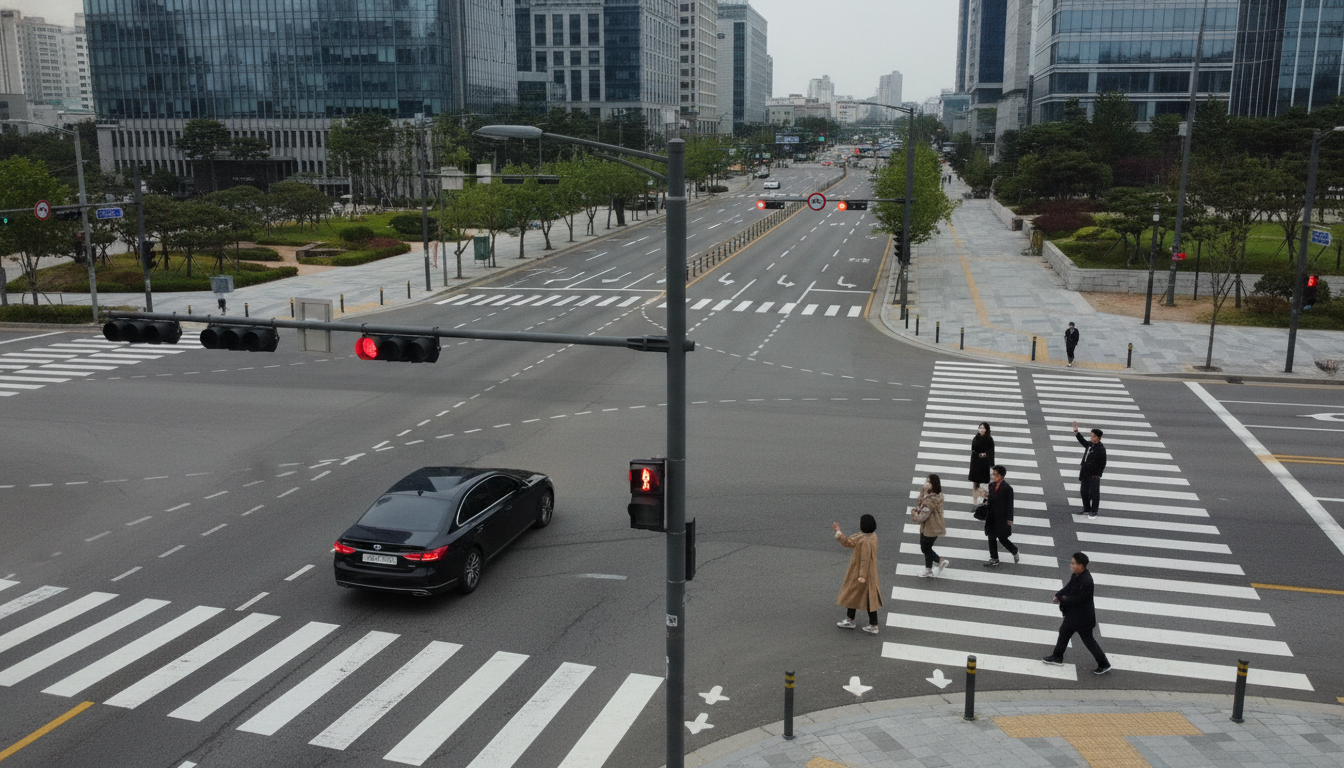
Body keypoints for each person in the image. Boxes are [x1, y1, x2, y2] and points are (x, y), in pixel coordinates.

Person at [1042, 552, 1111, 675]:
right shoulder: (1076, 575)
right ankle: (1057, 656)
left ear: (1081, 566)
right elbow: (1068, 587)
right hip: (1074, 616)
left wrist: (1063, 598)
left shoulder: (1087, 581)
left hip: (1083, 619)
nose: (1071, 565)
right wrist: (1059, 595)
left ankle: (1104, 664)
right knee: (1064, 632)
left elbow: (1079, 599)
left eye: (1073, 563)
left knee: (1088, 641)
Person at [832, 515, 882, 634]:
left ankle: (855, 621)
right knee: (868, 597)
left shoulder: (864, 541)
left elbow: (863, 559)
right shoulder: (873, 536)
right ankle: (870, 623)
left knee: (853, 593)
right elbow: (852, 541)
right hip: (871, 572)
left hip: (861, 573)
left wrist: (862, 576)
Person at [983, 465, 1019, 567]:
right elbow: (989, 500)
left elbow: (1010, 504)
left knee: (1002, 538)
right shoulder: (991, 485)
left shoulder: (1007, 488)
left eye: (996, 475)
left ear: (1002, 476)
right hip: (991, 517)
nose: (994, 476)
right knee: (991, 537)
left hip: (1002, 518)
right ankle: (994, 558)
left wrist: (1010, 519)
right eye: (993, 474)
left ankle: (1014, 550)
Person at [913, 474, 949, 577]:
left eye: (929, 482)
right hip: (934, 526)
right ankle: (928, 569)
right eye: (926, 481)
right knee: (927, 548)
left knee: (925, 548)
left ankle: (940, 561)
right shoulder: (937, 495)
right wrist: (924, 491)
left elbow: (923, 516)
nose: (926, 483)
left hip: (931, 527)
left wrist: (914, 514)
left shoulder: (931, 500)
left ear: (934, 484)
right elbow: (920, 500)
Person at [1073, 422, 1107, 518]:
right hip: (1085, 473)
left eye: (1094, 436)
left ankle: (1094, 510)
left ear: (1099, 438)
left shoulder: (1101, 449)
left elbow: (1103, 463)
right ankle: (1087, 508)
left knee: (1094, 493)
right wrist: (1077, 433)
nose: (1092, 438)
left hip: (1093, 474)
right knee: (1084, 492)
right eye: (1091, 436)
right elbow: (1083, 442)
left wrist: (1098, 474)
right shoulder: (1090, 444)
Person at [968, 422, 994, 495]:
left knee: (985, 482)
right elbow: (973, 450)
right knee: (976, 482)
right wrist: (978, 455)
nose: (981, 430)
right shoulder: (976, 438)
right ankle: (975, 498)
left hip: (984, 464)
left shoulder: (989, 439)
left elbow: (991, 451)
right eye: (980, 428)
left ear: (986, 429)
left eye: (983, 428)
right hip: (976, 464)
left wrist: (991, 462)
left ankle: (984, 496)